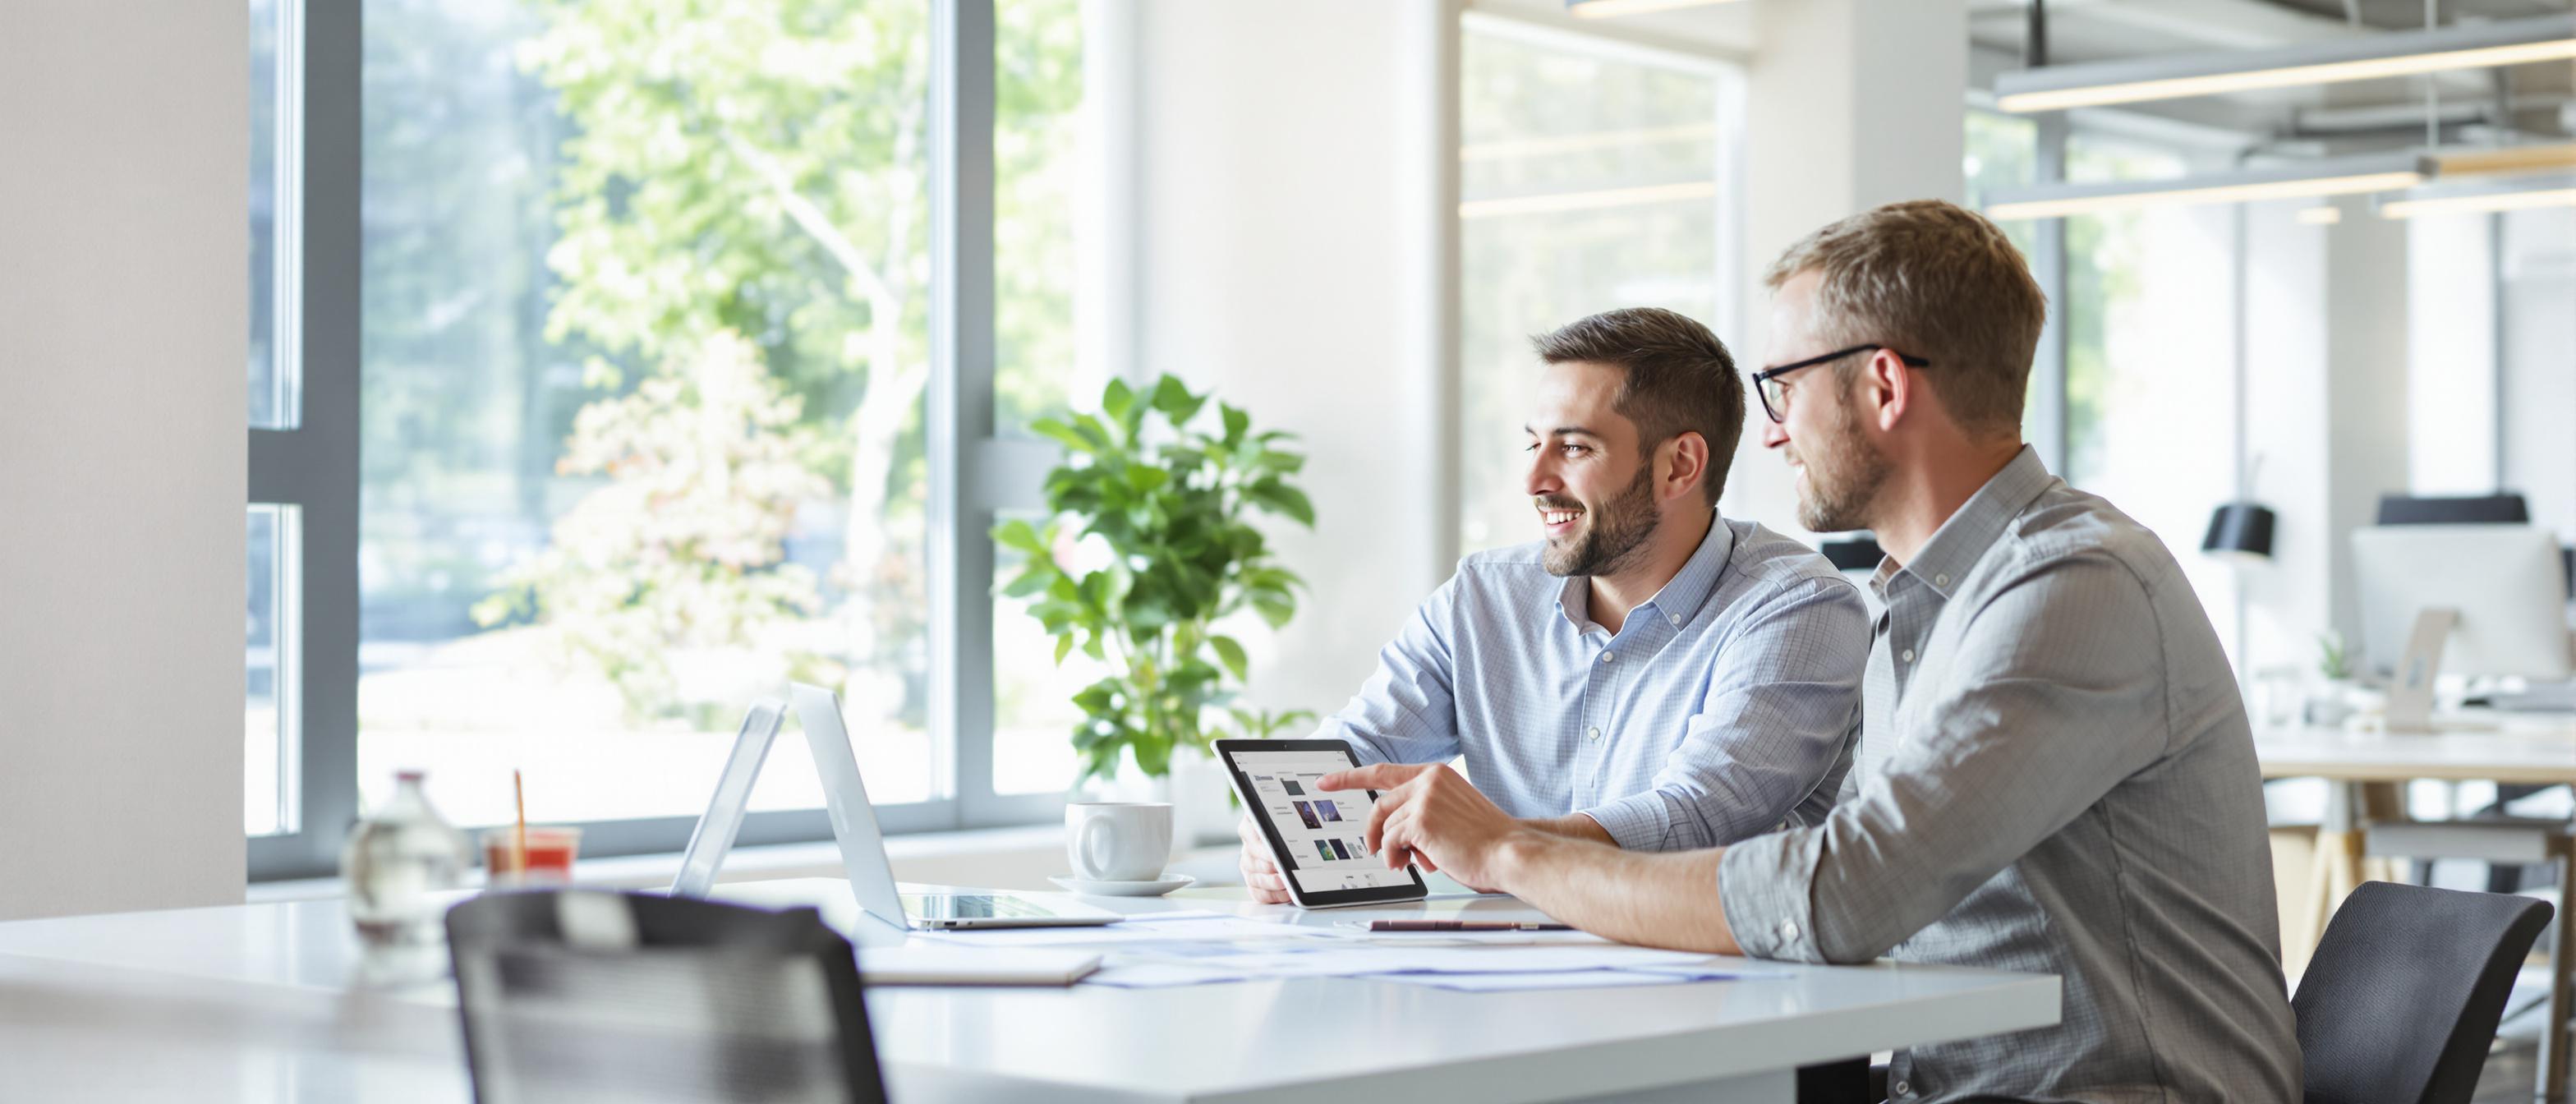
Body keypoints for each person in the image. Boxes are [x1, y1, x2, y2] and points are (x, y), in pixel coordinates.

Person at [1324, 200, 2300, 1102]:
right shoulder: (1914, 603)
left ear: (1880, 384)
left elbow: (1842, 893)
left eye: (1783, 386)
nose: (1774, 430)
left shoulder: (2071, 587)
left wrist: (1505, 849)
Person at [1240, 306, 1870, 904]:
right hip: (1507, 986)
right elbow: (1348, 759)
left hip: (1715, 990)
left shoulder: (1799, 607)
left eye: (1573, 449)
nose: (1534, 480)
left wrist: (1496, 843)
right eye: (1533, 444)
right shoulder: (1483, 597)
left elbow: (1699, 815)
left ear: (1680, 466)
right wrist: (1274, 828)